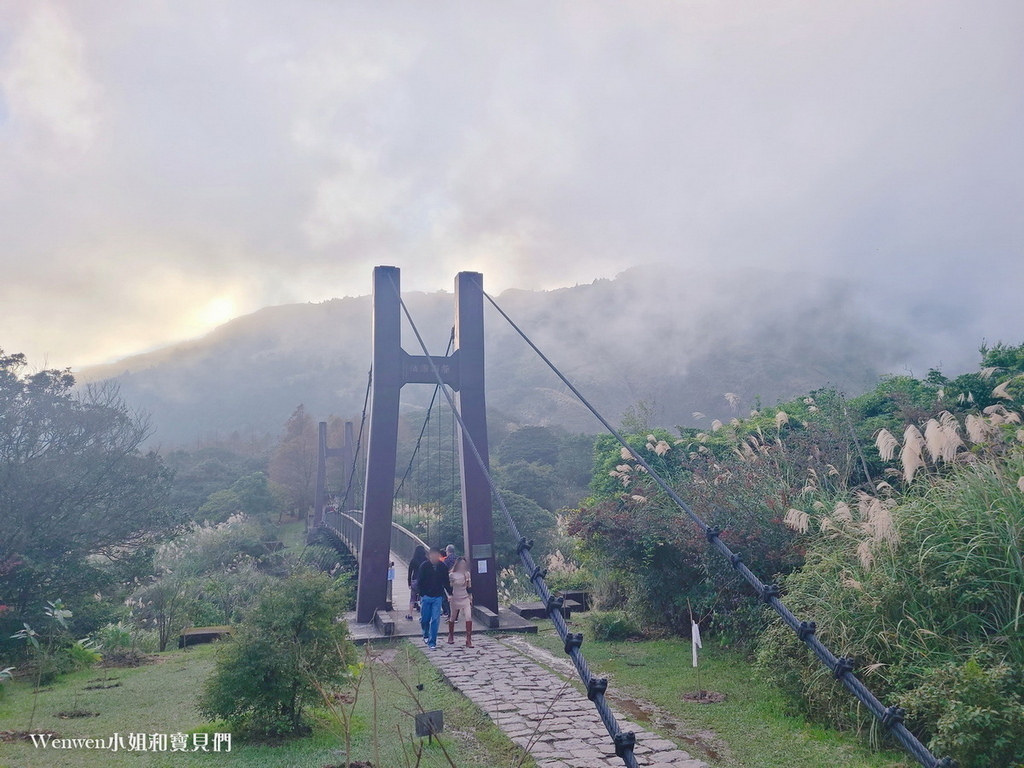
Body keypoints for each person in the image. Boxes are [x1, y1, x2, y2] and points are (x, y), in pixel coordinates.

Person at [416, 548, 452, 649]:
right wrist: (421, 593)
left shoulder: (442, 567)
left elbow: (446, 581)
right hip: (426, 596)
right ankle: (426, 634)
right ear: (430, 555)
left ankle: (432, 642)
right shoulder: (424, 566)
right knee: (425, 619)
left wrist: (450, 593)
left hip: (438, 596)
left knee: (435, 619)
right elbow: (420, 581)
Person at [446, 557, 474, 647]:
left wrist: (470, 597)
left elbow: (469, 587)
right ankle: (451, 635)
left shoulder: (467, 574)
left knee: (468, 617)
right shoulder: (452, 575)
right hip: (455, 597)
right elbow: (448, 587)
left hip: (465, 597)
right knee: (453, 618)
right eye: (461, 564)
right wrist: (449, 596)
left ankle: (468, 639)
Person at [406, 545, 427, 621]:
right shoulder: (426, 560)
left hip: (414, 581)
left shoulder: (413, 560)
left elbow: (410, 572)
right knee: (423, 598)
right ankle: (423, 615)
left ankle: (410, 614)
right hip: (424, 581)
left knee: (412, 598)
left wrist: (409, 582)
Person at [441, 544, 457, 617]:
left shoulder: (446, 560)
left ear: (447, 551)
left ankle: (449, 613)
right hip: (459, 580)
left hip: (449, 581)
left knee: (447, 597)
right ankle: (455, 615)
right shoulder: (458, 559)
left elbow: (443, 571)